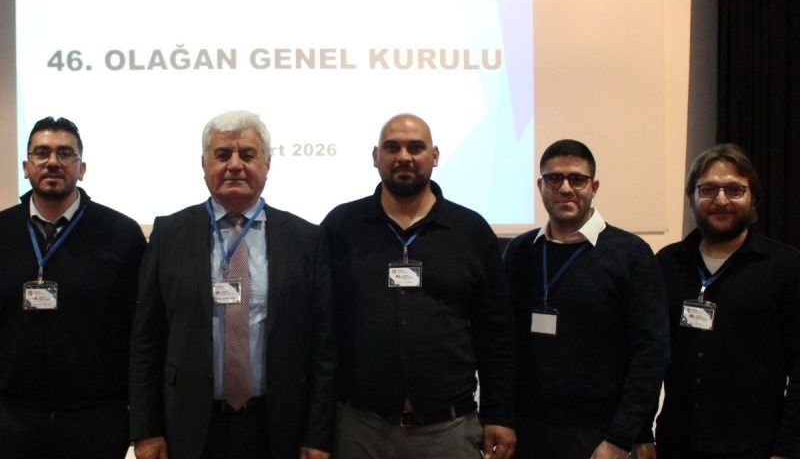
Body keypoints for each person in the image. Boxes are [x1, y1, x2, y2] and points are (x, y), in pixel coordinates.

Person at [128, 110, 335, 459]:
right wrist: (146, 430)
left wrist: (318, 435)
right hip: (189, 424)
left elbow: (323, 346)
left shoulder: (305, 239)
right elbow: (146, 341)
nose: (235, 165)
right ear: (204, 164)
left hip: (278, 425)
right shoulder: (169, 234)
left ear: (267, 164)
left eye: (248, 155)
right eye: (222, 154)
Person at [320, 113, 516, 459]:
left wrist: (499, 414)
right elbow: (322, 330)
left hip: (449, 428)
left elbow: (496, 331)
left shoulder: (470, 231)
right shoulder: (341, 226)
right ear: (375, 156)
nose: (404, 157)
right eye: (392, 147)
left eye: (415, 147)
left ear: (435, 156)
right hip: (360, 426)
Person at [503, 139, 670, 459]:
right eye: (554, 179)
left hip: (599, 435)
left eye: (577, 179)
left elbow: (651, 353)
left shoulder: (631, 254)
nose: (566, 188)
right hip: (527, 431)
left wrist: (622, 436)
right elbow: (503, 342)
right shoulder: (520, 251)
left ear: (594, 187)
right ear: (540, 186)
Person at [633, 143, 800, 459]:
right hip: (675, 444)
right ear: (692, 198)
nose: (721, 200)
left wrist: (788, 448)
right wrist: (641, 432)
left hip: (756, 447)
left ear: (753, 197)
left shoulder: (786, 267)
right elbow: (647, 354)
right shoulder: (667, 264)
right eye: (708, 189)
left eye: (734, 190)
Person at [0, 116, 147, 458]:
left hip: (96, 419)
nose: (53, 162)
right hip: (11, 418)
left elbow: (141, 331)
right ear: (26, 167)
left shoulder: (121, 234)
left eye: (65, 153)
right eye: (42, 153)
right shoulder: (2, 231)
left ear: (81, 169)